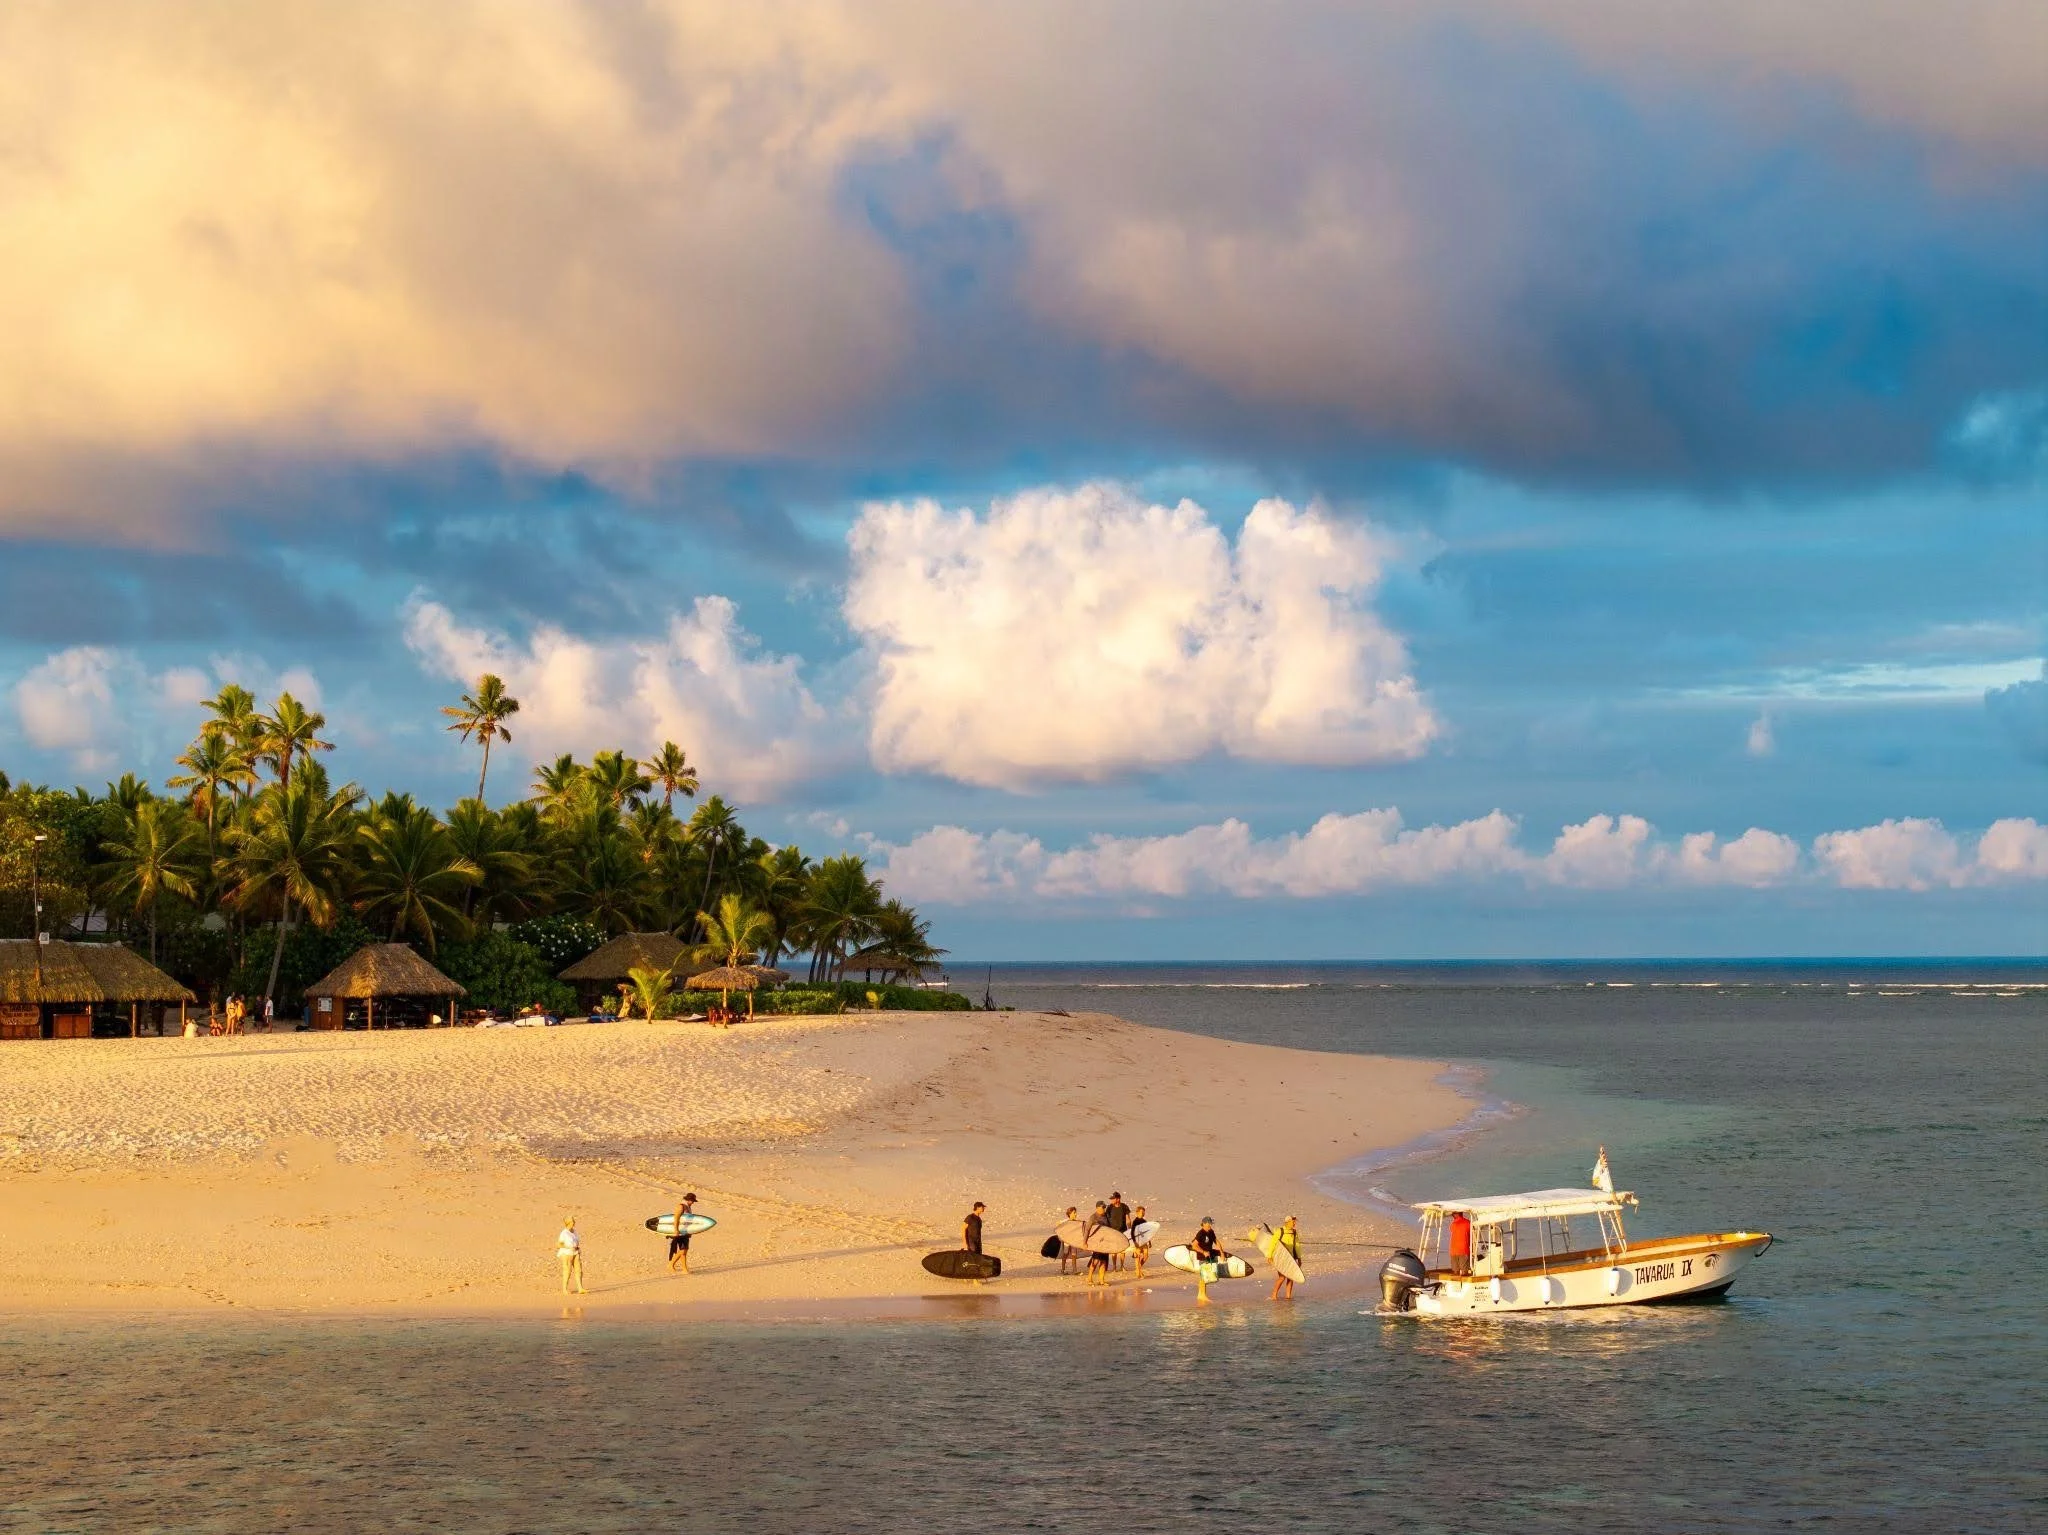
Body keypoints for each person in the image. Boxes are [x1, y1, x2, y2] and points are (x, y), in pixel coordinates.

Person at [1191, 1217, 1224, 1304]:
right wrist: (1203, 1252)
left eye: (1211, 1223)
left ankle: (1201, 1294)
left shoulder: (1211, 1232)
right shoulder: (1201, 1233)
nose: (1210, 1225)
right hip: (1202, 1257)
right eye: (1209, 1223)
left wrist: (1222, 1253)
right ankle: (1202, 1295)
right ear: (1204, 1223)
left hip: (1209, 1255)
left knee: (1205, 1276)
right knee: (1204, 1276)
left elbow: (1216, 1242)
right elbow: (1194, 1245)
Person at [1271, 1215, 1303, 1301]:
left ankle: (1288, 1296)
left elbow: (1297, 1245)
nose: (1295, 1223)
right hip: (1280, 1258)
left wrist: (1299, 1258)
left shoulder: (1294, 1232)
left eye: (1295, 1222)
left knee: (1291, 1277)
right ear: (1288, 1222)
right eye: (1293, 1221)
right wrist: (1269, 1256)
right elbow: (1273, 1243)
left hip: (1291, 1258)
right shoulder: (1280, 1231)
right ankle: (1274, 1295)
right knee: (1282, 1277)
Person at [668, 1192, 699, 1274]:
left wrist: (690, 1231)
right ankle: (671, 1264)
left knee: (684, 1251)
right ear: (688, 1199)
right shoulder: (681, 1206)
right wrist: (676, 1230)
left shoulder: (688, 1207)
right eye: (692, 1201)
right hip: (680, 1231)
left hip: (685, 1232)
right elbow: (676, 1218)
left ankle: (684, 1269)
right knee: (683, 1250)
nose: (693, 1203)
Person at [1103, 1191, 1131, 1271]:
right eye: (1111, 1199)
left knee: (1123, 1250)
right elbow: (1106, 1219)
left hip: (1123, 1231)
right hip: (1113, 1231)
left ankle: (1122, 1266)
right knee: (1114, 1250)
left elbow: (1128, 1219)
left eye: (1113, 1198)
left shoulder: (1124, 1207)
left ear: (1118, 1199)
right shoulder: (1109, 1207)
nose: (1111, 1200)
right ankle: (1114, 1267)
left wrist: (1130, 1230)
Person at [557, 1216, 585, 1294]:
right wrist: (569, 1247)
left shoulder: (574, 1231)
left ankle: (580, 1288)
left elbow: (576, 1241)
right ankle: (564, 1289)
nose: (574, 1222)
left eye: (573, 1220)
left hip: (576, 1252)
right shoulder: (564, 1233)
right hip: (567, 1254)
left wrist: (577, 1247)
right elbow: (559, 1245)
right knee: (567, 1271)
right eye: (572, 1221)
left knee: (579, 1270)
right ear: (568, 1223)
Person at [1130, 1204, 1154, 1278]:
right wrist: (1134, 1242)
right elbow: (1132, 1232)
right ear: (1137, 1212)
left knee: (1146, 1256)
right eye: (1141, 1212)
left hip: (1144, 1241)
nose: (1143, 1213)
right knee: (1137, 1257)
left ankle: (1138, 1269)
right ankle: (1138, 1273)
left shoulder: (1144, 1221)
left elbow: (1147, 1232)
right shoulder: (1135, 1221)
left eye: (1144, 1212)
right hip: (1137, 1241)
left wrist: (1149, 1241)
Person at [1059, 1206, 1084, 1275]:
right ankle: (1063, 1269)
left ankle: (1074, 1270)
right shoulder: (1066, 1221)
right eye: (1074, 1213)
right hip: (1067, 1241)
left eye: (1075, 1212)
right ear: (1069, 1214)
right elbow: (1058, 1225)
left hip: (1074, 1240)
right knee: (1065, 1254)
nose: (1075, 1214)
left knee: (1074, 1255)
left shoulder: (1076, 1222)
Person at [1449, 1210, 1473, 1277]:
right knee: (1464, 1271)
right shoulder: (1468, 1223)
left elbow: (1451, 1230)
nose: (1452, 1216)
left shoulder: (1453, 1224)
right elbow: (1472, 1234)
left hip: (1453, 1250)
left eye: (1453, 1214)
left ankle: (1456, 1281)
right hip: (1463, 1249)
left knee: (1455, 1271)